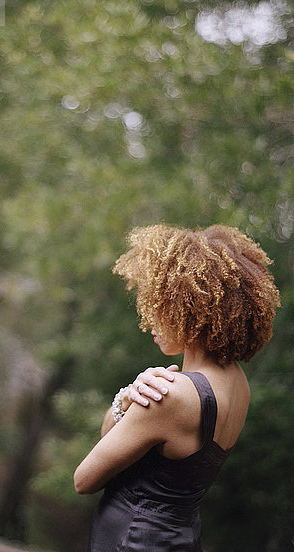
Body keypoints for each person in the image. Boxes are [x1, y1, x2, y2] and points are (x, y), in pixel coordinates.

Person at [73, 224, 280, 551]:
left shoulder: (171, 396)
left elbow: (84, 480)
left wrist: (138, 403)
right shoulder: (237, 383)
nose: (151, 318)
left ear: (193, 308)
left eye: (162, 304)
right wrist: (127, 397)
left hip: (134, 542)